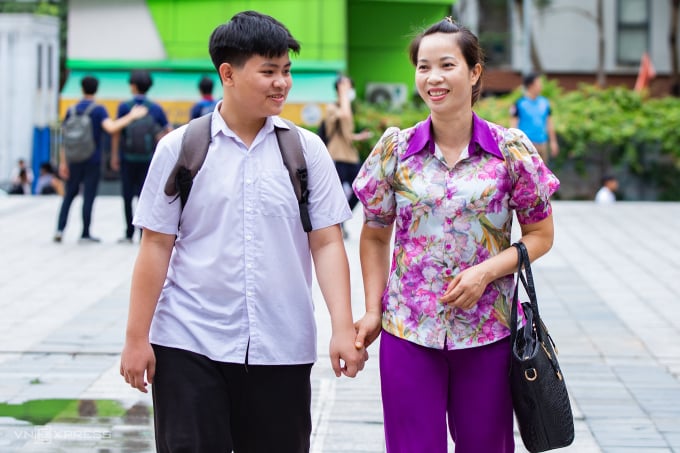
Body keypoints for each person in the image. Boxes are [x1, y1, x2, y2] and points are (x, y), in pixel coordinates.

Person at [119, 11, 366, 453]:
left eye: (286, 71)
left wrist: (342, 327)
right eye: (268, 71)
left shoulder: (305, 151)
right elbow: (155, 246)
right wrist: (136, 340)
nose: (282, 83)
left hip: (282, 345)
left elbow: (327, 243)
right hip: (187, 341)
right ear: (228, 74)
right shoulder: (180, 149)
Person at [352, 17, 560, 453]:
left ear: (474, 72)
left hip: (488, 332)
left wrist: (486, 272)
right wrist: (372, 309)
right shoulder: (394, 150)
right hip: (408, 329)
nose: (433, 78)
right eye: (423, 67)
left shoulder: (510, 150)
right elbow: (374, 232)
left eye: (446, 65)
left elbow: (540, 235)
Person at [54, 75, 148, 243]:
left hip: (73, 159)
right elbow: (111, 128)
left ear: (82, 89)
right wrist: (131, 117)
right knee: (88, 196)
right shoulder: (98, 110)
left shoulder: (71, 109)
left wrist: (63, 162)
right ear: (96, 90)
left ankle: (60, 229)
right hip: (92, 159)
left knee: (69, 195)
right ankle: (85, 233)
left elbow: (65, 137)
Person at [110, 70, 172, 244]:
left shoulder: (125, 107)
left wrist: (114, 155)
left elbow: (116, 133)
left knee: (127, 195)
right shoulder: (155, 108)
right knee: (145, 196)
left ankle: (128, 233)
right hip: (148, 159)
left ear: (133, 86)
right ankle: (142, 232)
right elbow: (168, 133)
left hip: (127, 159)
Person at [321, 75, 373, 237]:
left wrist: (358, 137)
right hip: (337, 156)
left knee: (360, 190)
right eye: (347, 87)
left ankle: (341, 220)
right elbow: (343, 116)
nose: (350, 90)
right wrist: (343, 93)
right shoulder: (333, 107)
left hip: (350, 156)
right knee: (336, 192)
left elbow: (346, 134)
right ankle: (336, 224)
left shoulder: (347, 106)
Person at [509, 72, 560, 164]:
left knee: (543, 175)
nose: (541, 86)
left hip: (542, 143)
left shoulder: (545, 103)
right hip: (525, 146)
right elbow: (513, 126)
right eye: (539, 83)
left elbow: (549, 123)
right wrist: (514, 146)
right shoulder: (519, 104)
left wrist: (553, 142)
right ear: (530, 85)